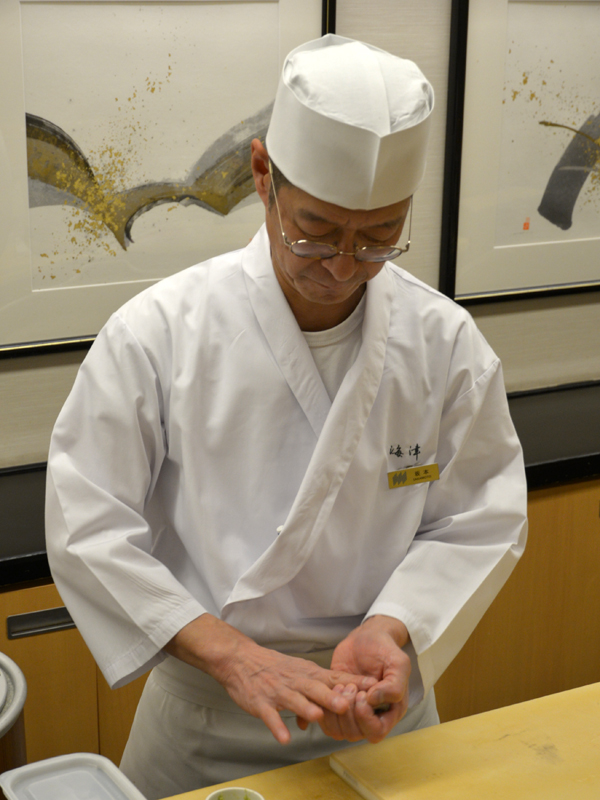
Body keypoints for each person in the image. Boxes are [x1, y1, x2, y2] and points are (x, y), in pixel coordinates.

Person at [45, 34, 527, 799]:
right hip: (205, 723)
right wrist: (233, 655)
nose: (343, 266)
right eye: (317, 230)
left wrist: (394, 624)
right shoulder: (159, 333)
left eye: (379, 238)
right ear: (263, 174)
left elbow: (478, 519)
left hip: (379, 714)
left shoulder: (444, 344)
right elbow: (86, 525)